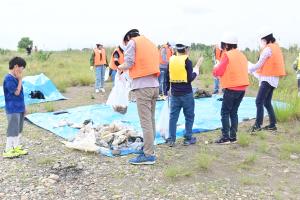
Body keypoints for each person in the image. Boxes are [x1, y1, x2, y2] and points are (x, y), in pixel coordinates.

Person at [118, 29, 160, 165]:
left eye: (126, 41)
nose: (127, 44)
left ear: (129, 37)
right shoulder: (150, 43)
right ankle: (149, 148)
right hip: (155, 85)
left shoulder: (133, 42)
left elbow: (129, 63)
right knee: (151, 119)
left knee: (145, 122)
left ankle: (148, 154)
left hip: (143, 87)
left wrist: (119, 67)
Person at [213, 34, 249, 144]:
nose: (223, 47)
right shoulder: (242, 55)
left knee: (225, 112)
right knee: (234, 112)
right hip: (242, 88)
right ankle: (233, 137)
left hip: (231, 88)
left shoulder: (227, 55)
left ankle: (225, 138)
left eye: (223, 45)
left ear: (227, 44)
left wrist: (215, 69)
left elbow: (218, 72)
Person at [166, 43, 203, 147]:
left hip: (174, 94)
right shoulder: (187, 61)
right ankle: (188, 138)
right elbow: (190, 78)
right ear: (186, 49)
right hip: (186, 93)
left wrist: (166, 90)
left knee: (173, 117)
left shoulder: (171, 60)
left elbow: (167, 77)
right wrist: (196, 71)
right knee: (189, 116)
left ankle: (171, 139)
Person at [248, 30, 286, 132]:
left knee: (259, 101)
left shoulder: (268, 49)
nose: (262, 42)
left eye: (262, 40)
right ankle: (272, 125)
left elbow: (259, 64)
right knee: (267, 102)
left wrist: (250, 68)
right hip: (274, 79)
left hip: (267, 79)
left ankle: (257, 125)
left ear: (265, 39)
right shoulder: (276, 47)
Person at [3, 57, 28, 158]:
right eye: (22, 67)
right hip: (12, 108)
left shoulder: (16, 78)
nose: (22, 70)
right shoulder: (8, 78)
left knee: (18, 129)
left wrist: (24, 106)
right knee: (12, 129)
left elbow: (21, 94)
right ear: (16, 66)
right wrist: (20, 80)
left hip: (19, 107)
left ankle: (16, 147)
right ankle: (7, 150)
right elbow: (17, 92)